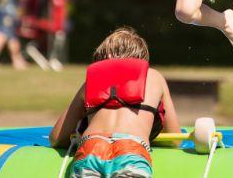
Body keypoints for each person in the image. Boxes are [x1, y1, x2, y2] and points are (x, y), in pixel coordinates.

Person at [50, 27, 181, 178]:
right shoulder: (154, 77)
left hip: (91, 147)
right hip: (131, 150)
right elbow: (175, 139)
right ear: (142, 60)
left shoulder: (92, 80)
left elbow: (56, 138)